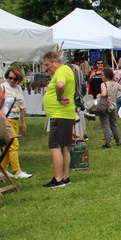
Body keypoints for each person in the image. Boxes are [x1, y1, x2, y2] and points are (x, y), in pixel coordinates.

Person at [42, 50, 76, 188]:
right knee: (64, 146)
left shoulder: (61, 71)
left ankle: (58, 179)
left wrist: (59, 97)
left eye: (47, 64)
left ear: (55, 62)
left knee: (54, 145)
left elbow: (60, 85)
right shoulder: (66, 70)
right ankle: (65, 176)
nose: (46, 67)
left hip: (59, 114)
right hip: (65, 114)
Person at [0, 67, 31, 179]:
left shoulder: (18, 89)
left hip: (15, 119)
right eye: (10, 78)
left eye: (15, 79)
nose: (12, 81)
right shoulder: (3, 88)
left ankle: (3, 169)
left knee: (8, 147)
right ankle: (17, 171)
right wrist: (4, 120)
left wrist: (23, 122)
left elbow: (22, 107)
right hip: (6, 120)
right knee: (14, 144)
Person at [97, 67, 121, 148]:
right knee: (114, 124)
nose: (101, 77)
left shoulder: (104, 84)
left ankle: (108, 143)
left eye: (102, 75)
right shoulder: (116, 84)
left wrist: (99, 95)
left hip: (105, 105)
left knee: (106, 125)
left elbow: (104, 94)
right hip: (113, 105)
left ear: (106, 76)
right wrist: (117, 97)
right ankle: (118, 141)